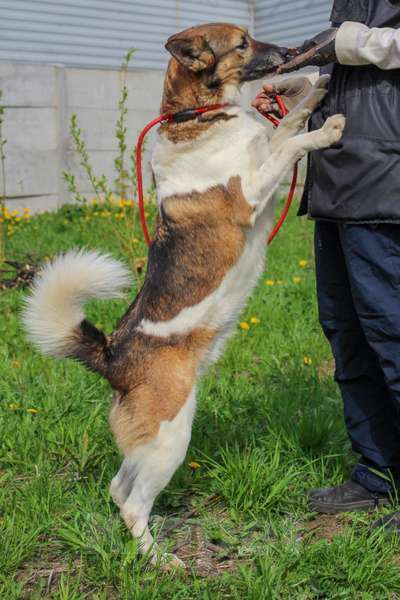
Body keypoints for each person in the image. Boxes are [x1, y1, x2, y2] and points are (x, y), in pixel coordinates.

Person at [253, 0, 400, 530]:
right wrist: (313, 84)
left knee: (393, 334)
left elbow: (371, 45)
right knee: (348, 332)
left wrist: (357, 44)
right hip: (341, 178)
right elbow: (358, 64)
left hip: (389, 179)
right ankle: (378, 471)